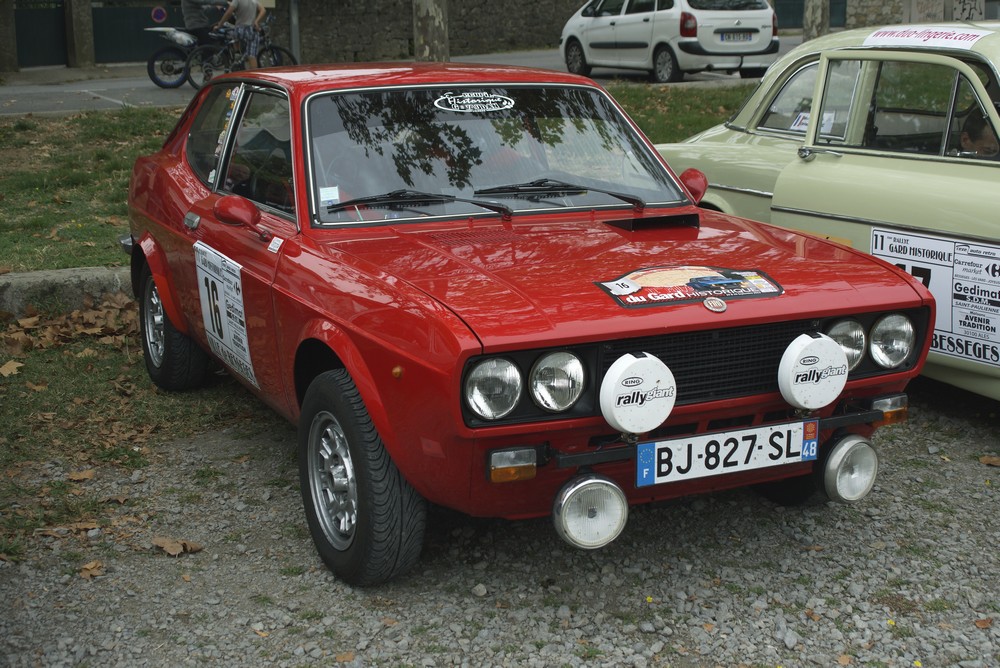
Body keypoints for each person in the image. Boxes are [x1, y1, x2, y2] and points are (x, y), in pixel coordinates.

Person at [215, 0, 266, 70]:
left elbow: (229, 12)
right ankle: (252, 77)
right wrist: (256, 21)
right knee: (251, 55)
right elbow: (263, 10)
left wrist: (219, 25)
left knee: (233, 34)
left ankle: (237, 53)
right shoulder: (254, 1)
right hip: (252, 30)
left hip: (240, 29)